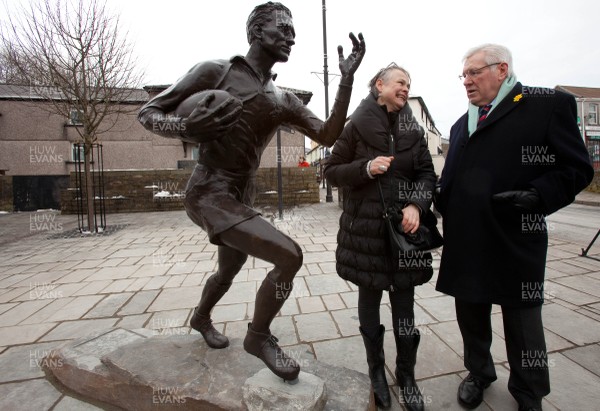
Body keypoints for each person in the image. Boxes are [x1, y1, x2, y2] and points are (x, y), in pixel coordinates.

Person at [138, 2, 365, 383]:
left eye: (293, 30)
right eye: (284, 28)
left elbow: (327, 134)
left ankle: (200, 318)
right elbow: (149, 112)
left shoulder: (282, 98)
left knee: (229, 268)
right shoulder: (216, 71)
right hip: (209, 191)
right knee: (289, 256)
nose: (292, 36)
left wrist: (345, 82)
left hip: (241, 195)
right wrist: (185, 125)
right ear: (258, 32)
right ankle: (258, 337)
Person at [435, 44, 594, 411]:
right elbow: (452, 179)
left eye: (474, 72)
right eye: (464, 75)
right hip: (467, 241)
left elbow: (576, 169)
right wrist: (437, 202)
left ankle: (528, 391)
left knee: (523, 323)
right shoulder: (461, 125)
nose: (467, 81)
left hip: (514, 237)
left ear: (502, 69)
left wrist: (537, 196)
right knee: (470, 315)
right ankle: (479, 373)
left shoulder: (545, 106)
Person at [324, 63, 436, 410]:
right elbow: (330, 172)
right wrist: (365, 168)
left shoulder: (412, 130)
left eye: (409, 84)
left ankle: (406, 374)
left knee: (405, 304)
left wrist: (417, 205)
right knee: (369, 300)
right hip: (368, 234)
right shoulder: (355, 125)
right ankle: (376, 372)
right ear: (380, 85)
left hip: (404, 234)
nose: (406, 88)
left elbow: (426, 175)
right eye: (401, 82)